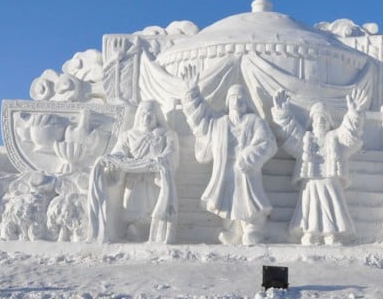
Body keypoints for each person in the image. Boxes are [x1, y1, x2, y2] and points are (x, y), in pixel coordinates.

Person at [180, 66, 277, 245]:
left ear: (246, 102)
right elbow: (201, 120)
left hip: (247, 172)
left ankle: (253, 231)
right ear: (228, 101)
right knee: (228, 202)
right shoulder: (219, 123)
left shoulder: (254, 121)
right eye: (233, 97)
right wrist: (192, 93)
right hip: (226, 171)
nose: (237, 101)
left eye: (241, 98)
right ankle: (232, 231)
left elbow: (268, 143)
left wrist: (249, 156)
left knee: (251, 203)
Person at [271, 88, 367, 245]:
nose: (320, 121)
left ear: (328, 121)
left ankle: (332, 233)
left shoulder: (334, 138)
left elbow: (348, 133)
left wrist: (353, 114)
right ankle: (311, 232)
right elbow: (291, 131)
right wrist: (282, 112)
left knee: (332, 204)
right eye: (317, 118)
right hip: (310, 180)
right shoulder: (306, 138)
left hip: (330, 178)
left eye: (323, 118)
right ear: (312, 122)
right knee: (310, 206)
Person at [88, 100, 179, 243]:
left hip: (153, 180)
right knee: (130, 207)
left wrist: (160, 161)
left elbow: (171, 153)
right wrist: (111, 159)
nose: (146, 118)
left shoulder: (167, 135)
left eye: (150, 115)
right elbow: (119, 153)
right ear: (138, 116)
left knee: (154, 206)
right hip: (133, 180)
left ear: (157, 117)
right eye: (143, 114)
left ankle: (153, 233)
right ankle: (133, 230)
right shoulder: (128, 136)